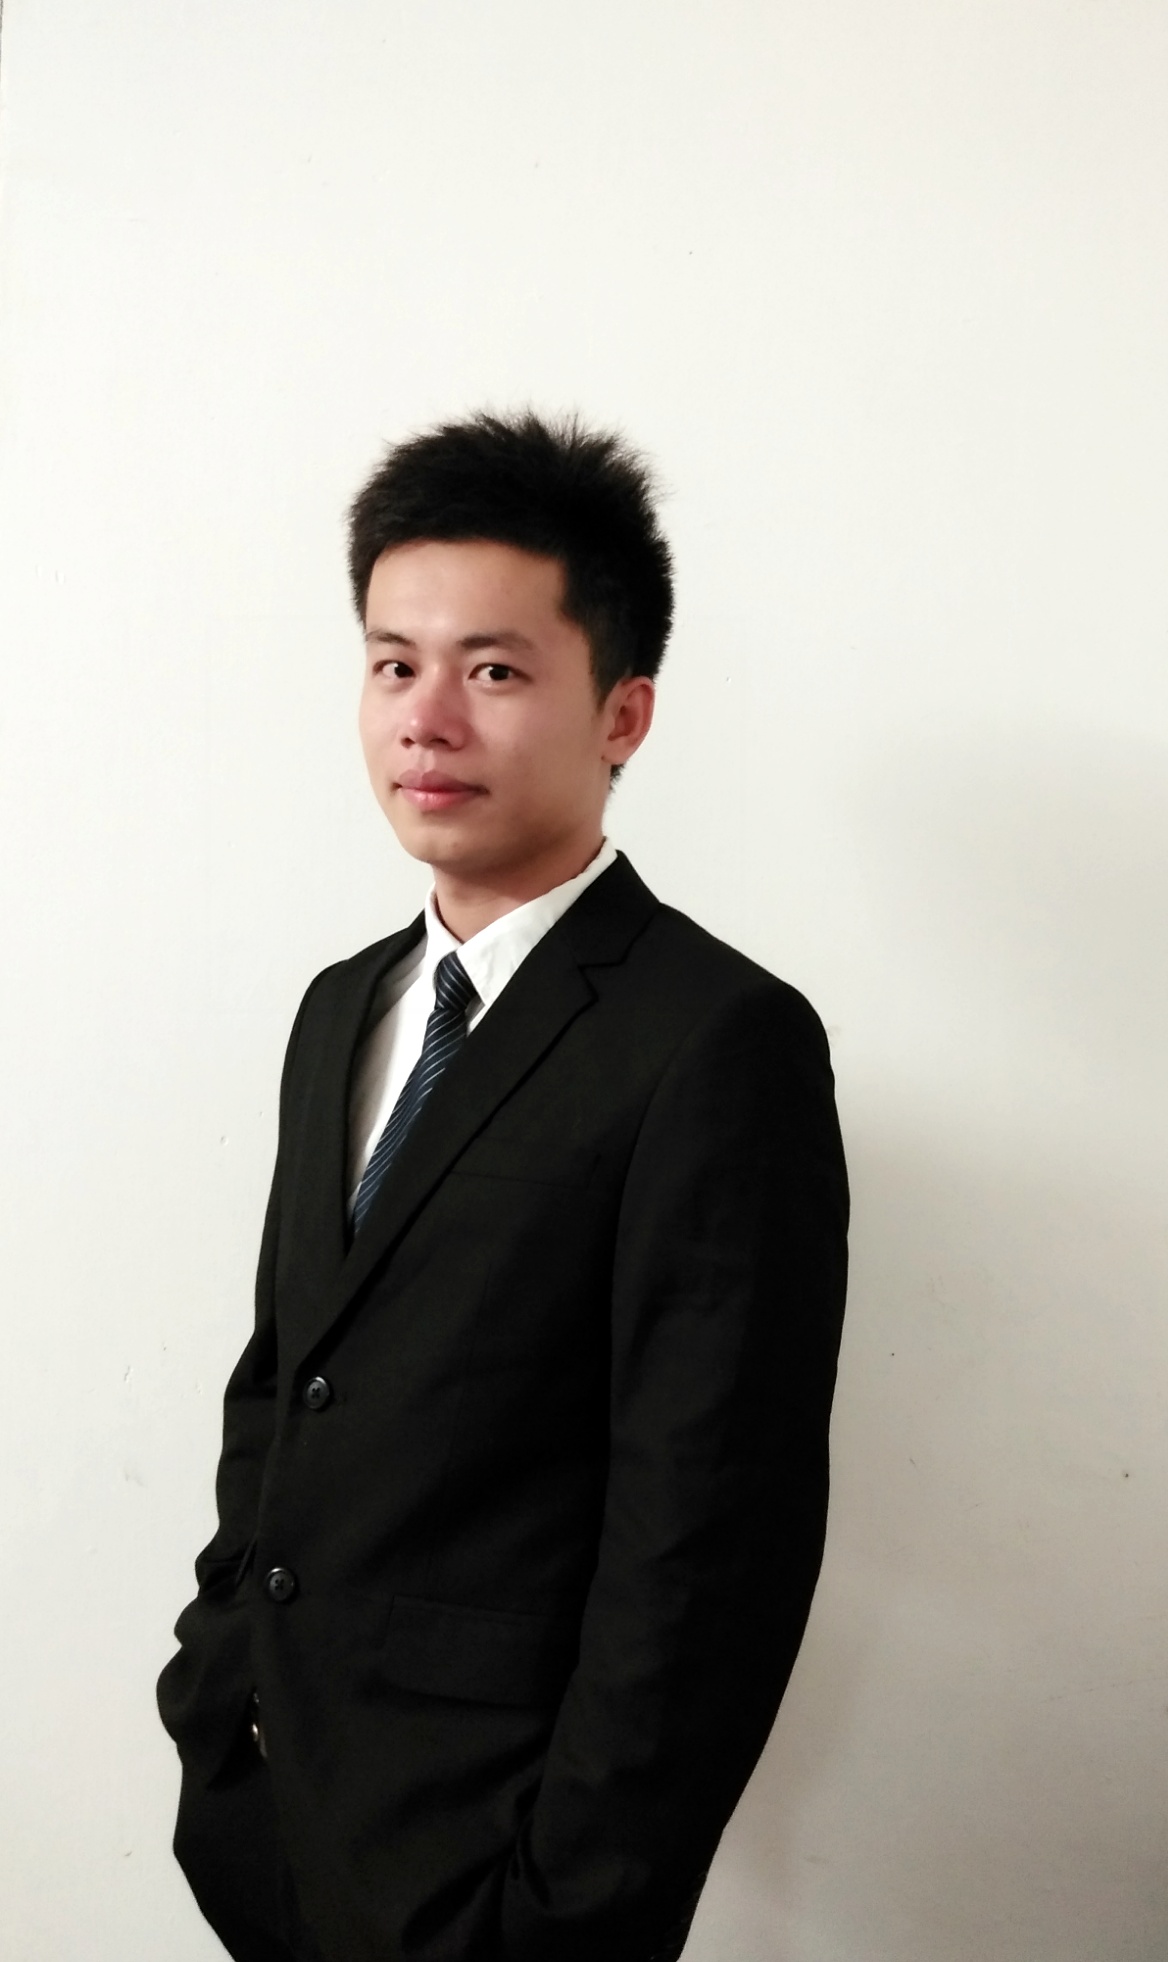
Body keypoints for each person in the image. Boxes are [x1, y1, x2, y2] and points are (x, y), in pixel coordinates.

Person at [157, 410, 849, 1962]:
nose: (426, 719)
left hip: (499, 1872)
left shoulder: (716, 1040)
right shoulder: (342, 1007)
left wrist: (565, 1909)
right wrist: (212, 1696)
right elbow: (284, 1381)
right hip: (271, 1817)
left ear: (625, 711)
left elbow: (712, 1536)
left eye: (493, 670)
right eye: (392, 663)